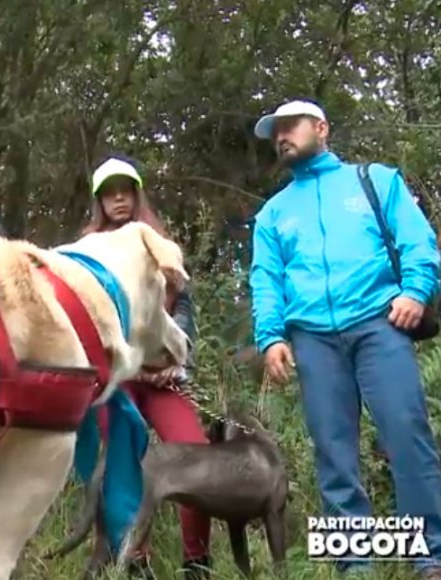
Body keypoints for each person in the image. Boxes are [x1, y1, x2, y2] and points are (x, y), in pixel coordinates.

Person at [249, 99, 441, 578]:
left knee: (407, 435)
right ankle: (354, 562)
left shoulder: (374, 180)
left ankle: (430, 555)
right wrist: (271, 336)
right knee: (332, 450)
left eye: (290, 127)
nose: (281, 137)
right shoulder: (274, 213)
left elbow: (419, 241)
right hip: (313, 338)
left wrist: (416, 291)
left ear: (321, 128)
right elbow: (266, 279)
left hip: (380, 324)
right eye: (275, 132)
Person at [81, 156, 212, 579]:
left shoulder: (161, 245)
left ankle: (197, 562)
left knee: (195, 458)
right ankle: (135, 562)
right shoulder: (87, 253)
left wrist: (179, 362)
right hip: (119, 380)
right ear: (99, 202)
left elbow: (184, 307)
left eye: (126, 190)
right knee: (123, 465)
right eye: (109, 192)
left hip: (164, 378)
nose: (118, 198)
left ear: (137, 195)